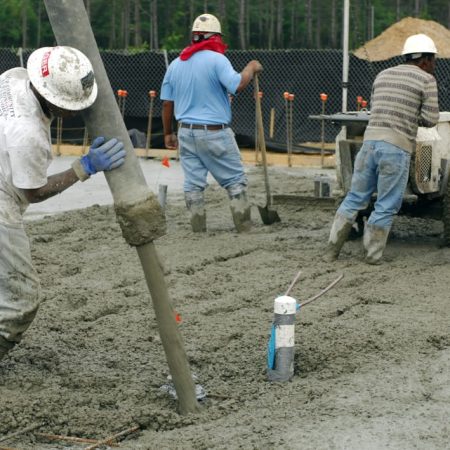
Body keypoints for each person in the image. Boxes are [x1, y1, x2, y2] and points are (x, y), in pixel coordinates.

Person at [0, 46, 126, 362]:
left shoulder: (12, 79)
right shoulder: (29, 135)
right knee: (22, 299)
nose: (76, 112)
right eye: (73, 106)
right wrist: (83, 168)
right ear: (54, 100)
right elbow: (34, 192)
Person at [325, 34, 439, 264]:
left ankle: (331, 251)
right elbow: (430, 119)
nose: (433, 65)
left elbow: (377, 107)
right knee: (386, 204)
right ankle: (372, 256)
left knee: (354, 197)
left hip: (369, 144)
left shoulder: (383, 74)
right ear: (425, 60)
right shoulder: (427, 80)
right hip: (396, 148)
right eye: (433, 60)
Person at [160, 13, 262, 233]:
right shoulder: (217, 60)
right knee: (235, 181)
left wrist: (168, 134)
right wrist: (251, 68)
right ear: (216, 37)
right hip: (215, 133)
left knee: (193, 185)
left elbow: (167, 104)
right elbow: (238, 85)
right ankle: (244, 228)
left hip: (186, 133)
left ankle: (198, 230)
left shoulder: (177, 64)